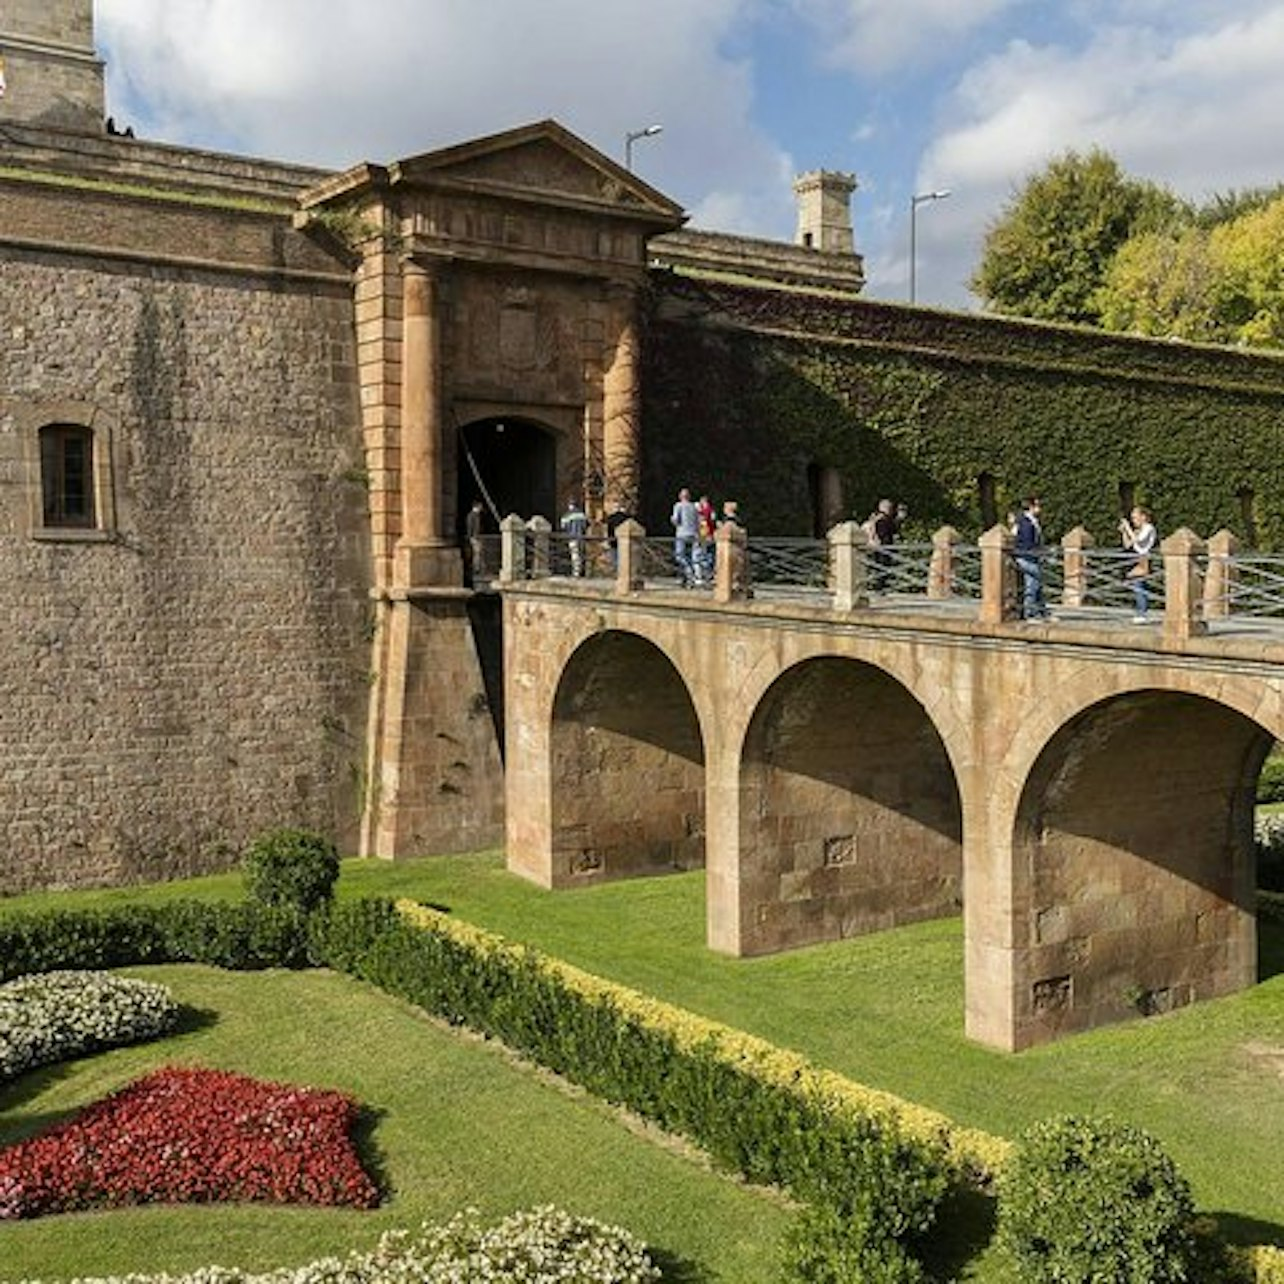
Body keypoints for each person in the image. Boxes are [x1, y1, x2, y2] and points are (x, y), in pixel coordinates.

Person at [1120, 505, 1157, 623]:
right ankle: (1141, 612)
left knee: (1139, 586)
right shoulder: (1138, 530)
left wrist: (1128, 527)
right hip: (1136, 558)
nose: (1133, 521)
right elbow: (1127, 544)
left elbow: (1138, 540)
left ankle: (1142, 613)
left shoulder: (1148, 528)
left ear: (1143, 517)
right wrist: (1124, 531)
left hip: (1145, 559)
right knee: (1137, 586)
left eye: (1135, 518)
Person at [1014, 495, 1049, 620]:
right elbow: (1026, 543)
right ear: (1031, 507)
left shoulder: (1030, 521)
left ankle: (1041, 612)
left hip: (1030, 557)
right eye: (1038, 506)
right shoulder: (1025, 522)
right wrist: (1039, 553)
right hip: (1026, 557)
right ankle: (1031, 613)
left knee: (1036, 584)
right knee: (1033, 585)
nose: (1040, 509)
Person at [671, 487, 699, 586]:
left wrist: (672, 520)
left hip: (682, 533)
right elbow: (697, 521)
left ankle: (689, 572)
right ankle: (688, 578)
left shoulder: (678, 506)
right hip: (694, 534)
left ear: (680, 496)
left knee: (679, 555)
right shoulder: (694, 506)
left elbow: (675, 520)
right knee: (693, 556)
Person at [560, 497, 588, 577]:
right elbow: (585, 525)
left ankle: (576, 573)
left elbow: (563, 527)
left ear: (569, 505)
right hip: (581, 537)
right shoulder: (582, 514)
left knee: (575, 555)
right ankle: (581, 571)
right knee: (581, 554)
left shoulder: (567, 515)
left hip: (572, 537)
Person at [695, 493, 716, 584]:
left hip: (703, 536)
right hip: (710, 535)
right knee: (709, 556)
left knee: (700, 556)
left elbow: (700, 523)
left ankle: (702, 577)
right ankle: (709, 575)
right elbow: (713, 520)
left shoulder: (701, 512)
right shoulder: (711, 510)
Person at [464, 499, 486, 583]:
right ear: (477, 506)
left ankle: (478, 568)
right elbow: (470, 526)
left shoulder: (477, 515)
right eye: (480, 506)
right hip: (474, 537)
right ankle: (476, 569)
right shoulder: (471, 515)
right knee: (477, 553)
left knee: (479, 553)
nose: (481, 508)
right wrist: (471, 537)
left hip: (478, 537)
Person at [605, 504, 631, 571]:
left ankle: (618, 571)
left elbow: (609, 530)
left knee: (615, 558)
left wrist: (609, 539)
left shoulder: (611, 518)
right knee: (625, 558)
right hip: (625, 542)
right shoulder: (627, 518)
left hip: (613, 541)